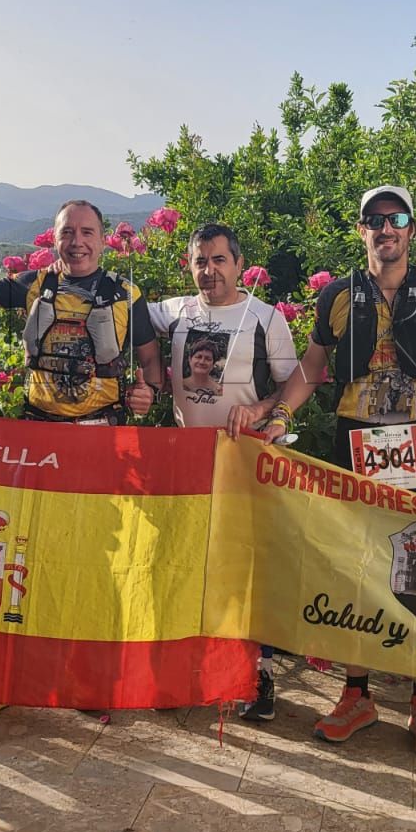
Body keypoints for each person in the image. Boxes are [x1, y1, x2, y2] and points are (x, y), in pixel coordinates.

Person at [229, 186, 416, 756]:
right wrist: (280, 411)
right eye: (375, 221)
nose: (386, 229)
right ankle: (357, 692)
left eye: (397, 219)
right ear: (361, 230)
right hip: (356, 443)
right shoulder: (337, 295)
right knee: (357, 569)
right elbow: (313, 367)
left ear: (411, 229)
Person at [0, 198, 163, 723]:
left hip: (98, 444)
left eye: (88, 232)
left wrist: (147, 392)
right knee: (17, 556)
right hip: (38, 442)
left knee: (92, 562)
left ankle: (88, 682)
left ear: (104, 239)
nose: (78, 242)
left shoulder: (128, 298)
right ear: (55, 236)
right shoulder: (32, 286)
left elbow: (151, 364)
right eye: (69, 232)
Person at [148, 223, 299, 721]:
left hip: (245, 466)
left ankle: (260, 678)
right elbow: (120, 311)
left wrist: (262, 412)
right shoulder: (176, 312)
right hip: (187, 466)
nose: (208, 271)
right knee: (188, 568)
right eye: (199, 261)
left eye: (218, 260)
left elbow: (294, 382)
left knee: (248, 573)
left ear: (237, 263)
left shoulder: (265, 318)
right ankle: (188, 673)